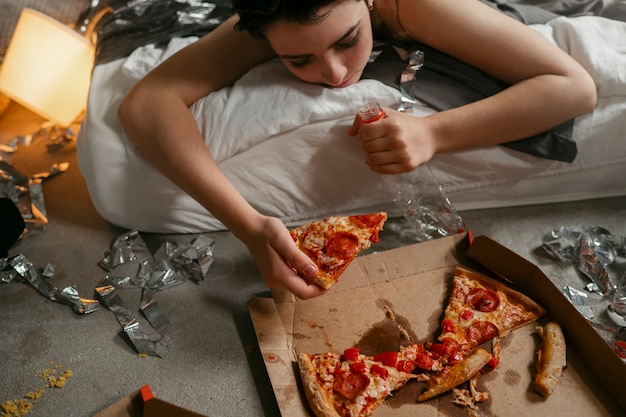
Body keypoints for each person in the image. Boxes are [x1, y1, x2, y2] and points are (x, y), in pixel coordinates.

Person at [117, 0, 597, 299]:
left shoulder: (417, 7)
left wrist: (435, 133)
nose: (333, 74)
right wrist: (248, 226)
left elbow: (574, 88)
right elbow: (146, 105)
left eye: (347, 41)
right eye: (298, 60)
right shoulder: (272, 15)